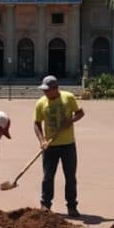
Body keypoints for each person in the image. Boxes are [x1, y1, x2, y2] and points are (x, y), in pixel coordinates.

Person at [33, 75, 85, 217]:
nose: (45, 93)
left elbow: (80, 113)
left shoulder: (68, 98)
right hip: (49, 147)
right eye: (43, 90)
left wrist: (71, 120)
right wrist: (42, 140)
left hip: (68, 145)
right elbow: (37, 123)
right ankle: (45, 204)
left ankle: (72, 206)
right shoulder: (41, 103)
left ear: (56, 89)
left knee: (70, 176)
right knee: (48, 176)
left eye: (47, 90)